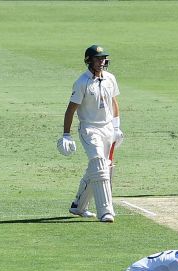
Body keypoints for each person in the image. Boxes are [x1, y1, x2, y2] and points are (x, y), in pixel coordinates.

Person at [57, 44, 123, 223]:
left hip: (108, 128)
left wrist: (117, 128)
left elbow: (114, 102)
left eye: (103, 58)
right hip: (90, 129)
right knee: (99, 164)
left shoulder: (110, 78)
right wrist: (66, 134)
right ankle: (106, 211)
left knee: (103, 168)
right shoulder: (82, 82)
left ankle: (78, 206)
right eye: (97, 58)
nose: (101, 62)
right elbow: (71, 109)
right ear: (89, 61)